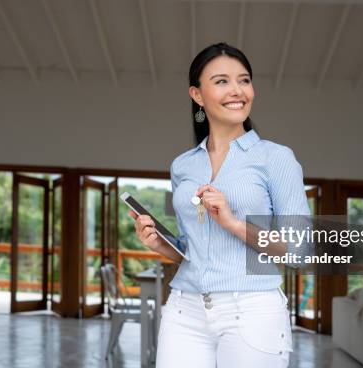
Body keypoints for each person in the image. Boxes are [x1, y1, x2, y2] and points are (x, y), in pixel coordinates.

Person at [128, 42, 309, 368]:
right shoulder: (183, 165)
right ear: (197, 95)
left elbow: (299, 249)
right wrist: (160, 244)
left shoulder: (276, 159)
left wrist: (233, 223)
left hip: (252, 311)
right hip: (184, 309)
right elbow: (191, 250)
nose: (237, 90)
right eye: (222, 81)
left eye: (244, 80)